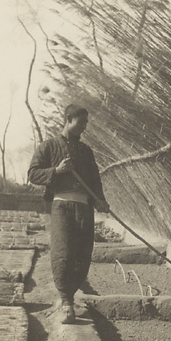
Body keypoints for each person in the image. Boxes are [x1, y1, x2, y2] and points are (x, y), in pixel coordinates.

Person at [28, 104, 110, 323]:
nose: (84, 127)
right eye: (81, 122)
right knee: (63, 253)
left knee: (83, 255)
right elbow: (33, 174)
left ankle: (71, 297)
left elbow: (95, 180)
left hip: (84, 207)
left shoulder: (86, 151)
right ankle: (66, 302)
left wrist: (101, 201)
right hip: (61, 206)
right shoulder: (48, 146)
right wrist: (57, 171)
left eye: (86, 123)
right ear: (68, 119)